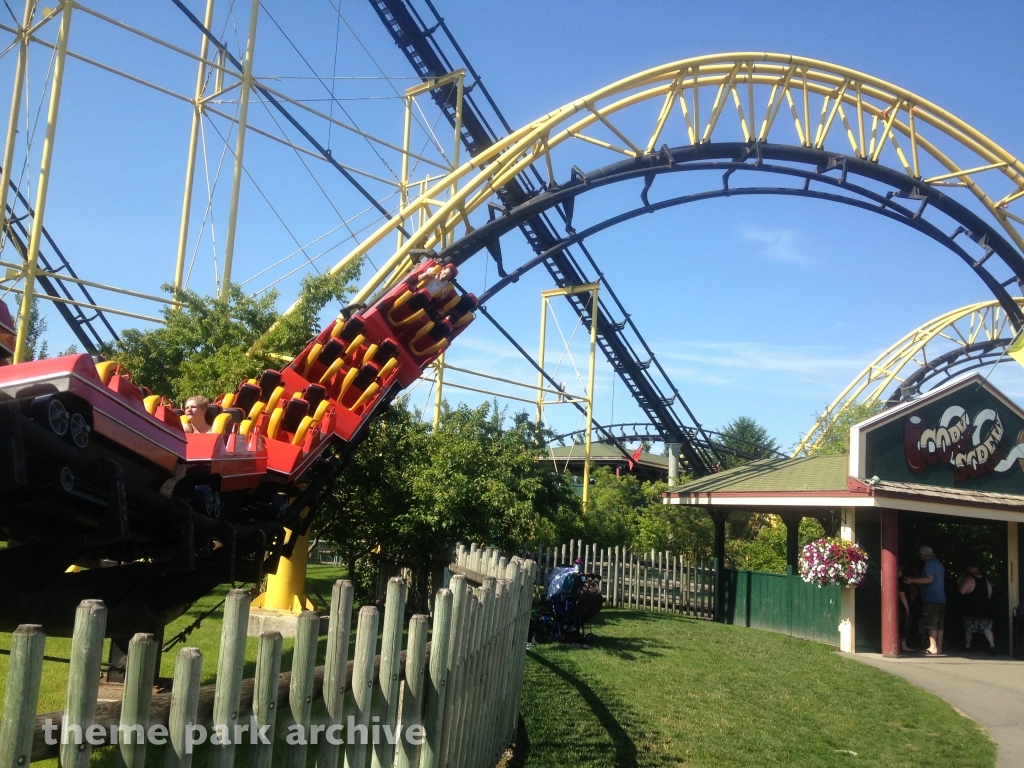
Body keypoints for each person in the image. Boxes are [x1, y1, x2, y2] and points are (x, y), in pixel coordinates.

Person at [904, 545, 945, 655]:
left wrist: (913, 580)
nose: (920, 557)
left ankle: (933, 647)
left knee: (931, 623)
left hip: (931, 598)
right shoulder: (939, 564)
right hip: (941, 598)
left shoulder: (929, 564)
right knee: (939, 624)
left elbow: (929, 579)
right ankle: (939, 647)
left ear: (924, 555)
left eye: (921, 555)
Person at [959, 564, 996, 655]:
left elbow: (962, 591)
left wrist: (959, 583)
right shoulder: (985, 579)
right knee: (987, 628)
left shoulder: (969, 578)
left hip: (971, 609)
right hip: (984, 608)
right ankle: (992, 646)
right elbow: (990, 593)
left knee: (969, 628)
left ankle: (967, 646)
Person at [898, 566, 914, 653]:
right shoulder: (900, 582)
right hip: (901, 607)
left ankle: (902, 645)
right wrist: (907, 608)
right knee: (902, 626)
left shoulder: (901, 581)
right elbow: (902, 596)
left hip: (900, 607)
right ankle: (903, 645)